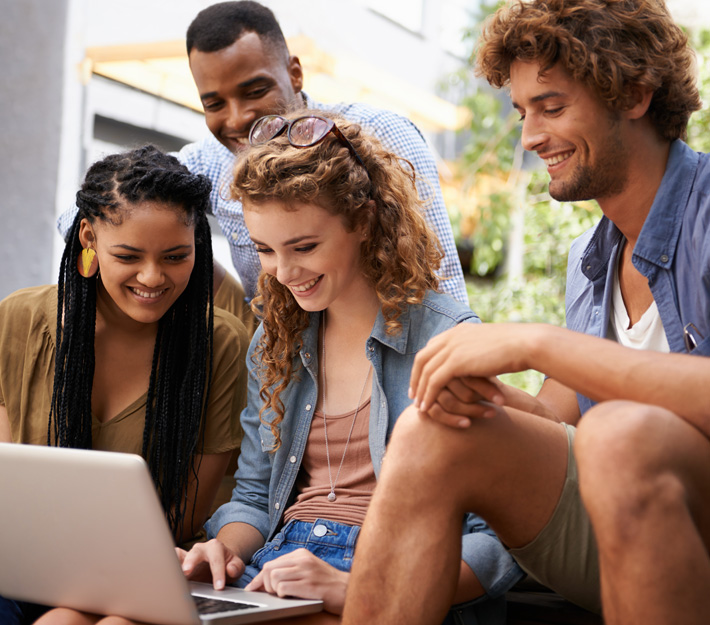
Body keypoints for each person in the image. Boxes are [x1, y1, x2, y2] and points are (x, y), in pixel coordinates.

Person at [340, 1, 710, 624]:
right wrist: (479, 396)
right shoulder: (591, 262)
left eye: (553, 107)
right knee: (434, 431)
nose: (531, 136)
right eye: (523, 112)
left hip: (685, 516)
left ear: (636, 94)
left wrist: (538, 344)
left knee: (617, 434)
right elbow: (555, 425)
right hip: (622, 519)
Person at [169, 110, 523, 625]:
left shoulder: (448, 339)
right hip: (276, 566)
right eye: (266, 250)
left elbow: (494, 542)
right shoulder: (276, 339)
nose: (284, 274)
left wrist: (353, 587)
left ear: (362, 221)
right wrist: (222, 551)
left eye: (304, 247)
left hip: (391, 575)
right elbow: (252, 496)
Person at [57, 0, 469, 308]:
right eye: (214, 104)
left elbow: (442, 281)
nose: (238, 119)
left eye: (255, 91)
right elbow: (90, 215)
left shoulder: (376, 135)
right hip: (284, 379)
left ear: (294, 73)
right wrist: (202, 275)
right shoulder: (208, 164)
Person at [0, 145, 249, 625]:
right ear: (89, 238)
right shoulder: (19, 321)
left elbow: (181, 519)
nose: (153, 277)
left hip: (147, 577)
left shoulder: (218, 343)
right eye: (128, 256)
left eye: (176, 256)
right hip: (27, 569)